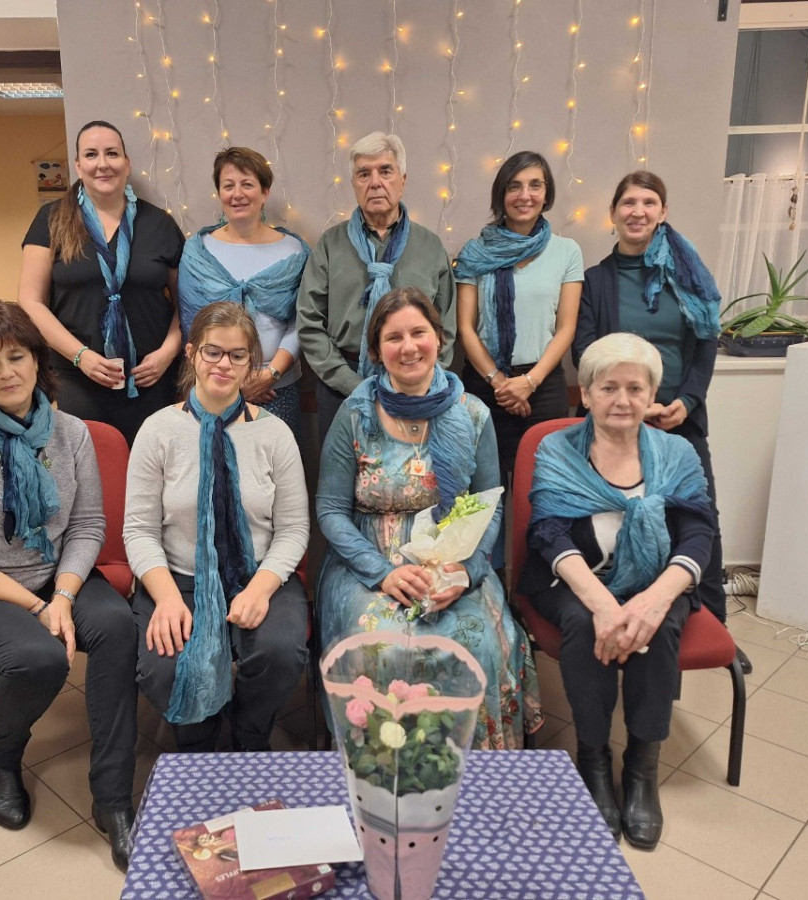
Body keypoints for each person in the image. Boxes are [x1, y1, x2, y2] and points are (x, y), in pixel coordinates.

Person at [0, 301, 137, 871]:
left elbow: (87, 526)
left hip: (54, 577)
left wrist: (62, 596)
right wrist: (37, 607)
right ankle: (2, 755)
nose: (6, 372)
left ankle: (113, 797)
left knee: (117, 626)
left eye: (16, 356)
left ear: (38, 361)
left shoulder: (71, 434)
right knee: (41, 658)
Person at [316, 287, 542, 750]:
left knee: (474, 644)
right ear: (376, 350)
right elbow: (331, 509)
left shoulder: (473, 414)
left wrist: (467, 572)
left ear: (439, 339)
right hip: (368, 561)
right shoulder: (355, 415)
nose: (408, 347)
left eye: (418, 333)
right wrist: (383, 573)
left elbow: (489, 504)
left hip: (453, 560)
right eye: (393, 337)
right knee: (381, 646)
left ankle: (468, 765)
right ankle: (383, 765)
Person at [519, 333, 715, 850]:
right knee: (585, 623)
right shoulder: (558, 450)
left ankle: (642, 766)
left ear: (652, 395)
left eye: (635, 388)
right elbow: (548, 532)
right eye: (608, 387)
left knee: (659, 624)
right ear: (585, 393)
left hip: (658, 577)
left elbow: (699, 531)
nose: (622, 400)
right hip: (575, 577)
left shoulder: (677, 452)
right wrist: (604, 604)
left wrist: (655, 598)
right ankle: (594, 759)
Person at [573, 171, 748, 672]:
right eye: (628, 202)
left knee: (699, 518)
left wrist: (687, 401)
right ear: (613, 213)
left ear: (663, 212)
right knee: (613, 519)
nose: (638, 211)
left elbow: (706, 343)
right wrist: (629, 405)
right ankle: (619, 614)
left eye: (649, 202)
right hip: (615, 420)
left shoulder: (688, 275)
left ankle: (714, 625)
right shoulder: (597, 281)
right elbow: (586, 348)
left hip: (678, 416)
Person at [125, 301, 309, 753]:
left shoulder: (275, 434)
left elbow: (292, 530)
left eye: (237, 355)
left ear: (250, 363)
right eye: (213, 351)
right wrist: (167, 598)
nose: (223, 364)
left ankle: (249, 732)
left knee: (280, 652)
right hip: (181, 577)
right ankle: (199, 739)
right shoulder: (158, 430)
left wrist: (260, 590)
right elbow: (139, 530)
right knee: (164, 667)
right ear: (191, 354)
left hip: (258, 572)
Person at [18, 119, 185, 447]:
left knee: (152, 470)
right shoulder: (51, 220)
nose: (103, 163)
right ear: (78, 165)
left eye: (112, 153)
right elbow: (30, 301)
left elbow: (187, 304)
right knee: (91, 468)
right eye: (91, 155)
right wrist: (80, 356)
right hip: (77, 377)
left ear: (127, 163)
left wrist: (167, 353)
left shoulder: (159, 223)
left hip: (151, 378)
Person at [298, 132, 456, 438]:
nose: (375, 182)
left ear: (402, 180)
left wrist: (423, 379)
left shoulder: (430, 246)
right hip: (341, 386)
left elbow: (446, 324)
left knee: (411, 468)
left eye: (385, 171)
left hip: (415, 386)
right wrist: (350, 383)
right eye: (364, 174)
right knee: (340, 468)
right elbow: (308, 322)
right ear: (354, 184)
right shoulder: (330, 245)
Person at [455, 151, 583, 481]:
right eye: (514, 186)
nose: (525, 195)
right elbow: (466, 328)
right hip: (485, 387)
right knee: (484, 495)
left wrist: (529, 382)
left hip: (544, 387)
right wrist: (501, 384)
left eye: (535, 185)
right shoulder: (475, 252)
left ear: (546, 192)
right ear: (501, 194)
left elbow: (566, 328)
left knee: (545, 492)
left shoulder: (567, 251)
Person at [178, 147, 310, 437]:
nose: (237, 194)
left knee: (275, 464)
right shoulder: (197, 251)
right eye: (228, 186)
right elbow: (192, 324)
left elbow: (302, 321)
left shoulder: (294, 251)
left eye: (247, 184)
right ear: (219, 193)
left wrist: (269, 374)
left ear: (265, 192)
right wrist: (234, 380)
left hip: (277, 388)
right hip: (214, 386)